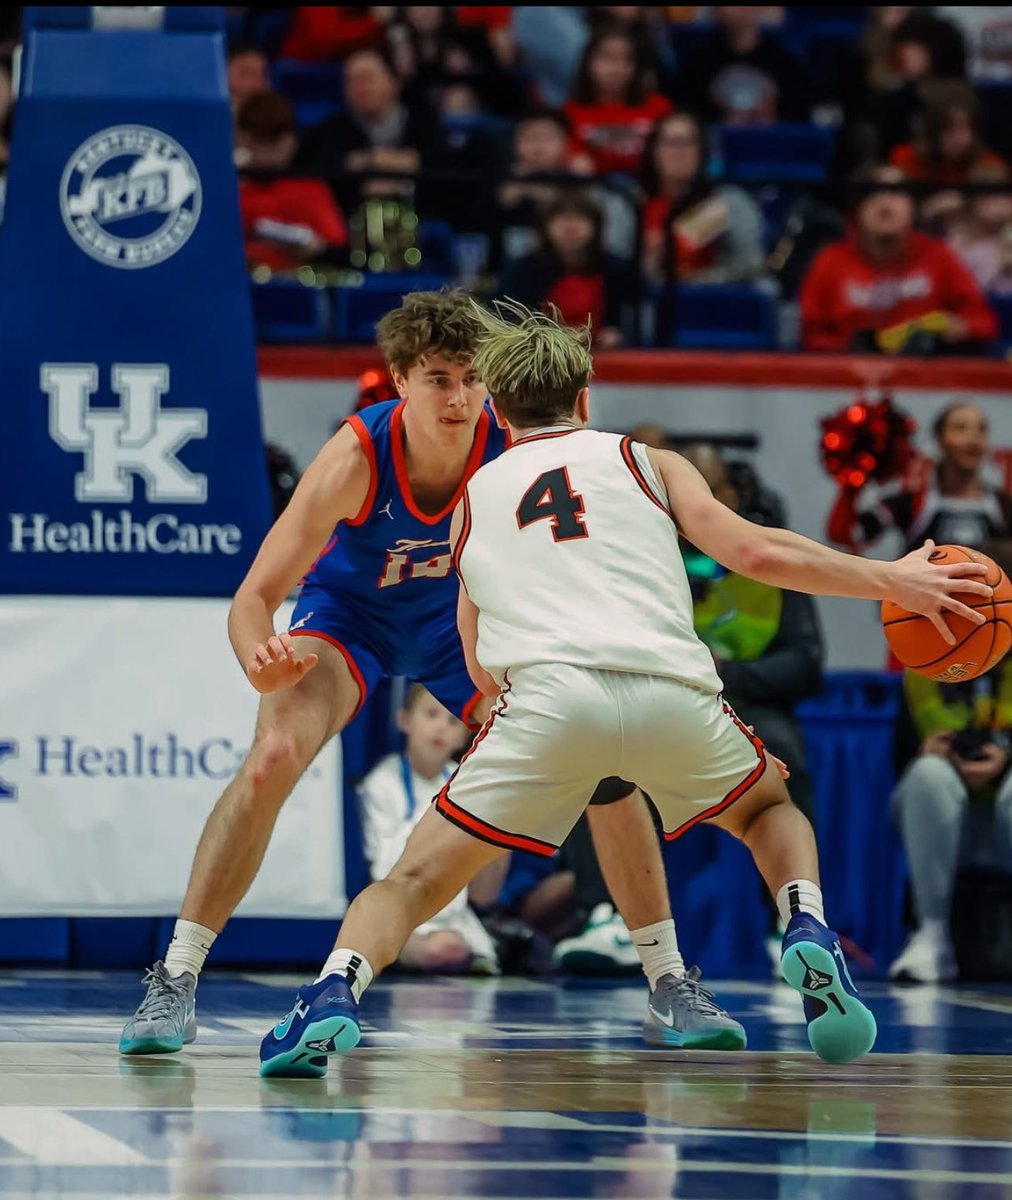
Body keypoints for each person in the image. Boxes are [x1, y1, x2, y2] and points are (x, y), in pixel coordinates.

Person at [257, 301, 991, 1078]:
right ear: (585, 397)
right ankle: (805, 921)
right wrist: (892, 580)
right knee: (769, 808)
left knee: (410, 881)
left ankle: (335, 991)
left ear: (497, 410)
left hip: (546, 704)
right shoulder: (647, 461)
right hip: (670, 692)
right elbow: (753, 552)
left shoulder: (474, 497)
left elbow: (472, 655)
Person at [119, 290, 741, 1060]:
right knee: (273, 758)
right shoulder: (356, 457)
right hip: (354, 616)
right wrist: (259, 654)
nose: (459, 398)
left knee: (605, 774)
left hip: (463, 627)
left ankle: (669, 978)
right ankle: (175, 979)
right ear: (398, 380)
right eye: (440, 378)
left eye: (473, 380)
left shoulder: (512, 446)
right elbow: (254, 596)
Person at [358, 684, 497, 974]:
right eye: (431, 714)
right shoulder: (382, 784)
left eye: (451, 721)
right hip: (398, 909)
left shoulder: (468, 783)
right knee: (434, 949)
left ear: (464, 734)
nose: (440, 728)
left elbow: (484, 894)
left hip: (456, 916)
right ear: (404, 720)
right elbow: (377, 874)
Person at [890, 659, 1012, 983]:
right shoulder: (922, 662)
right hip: (946, 826)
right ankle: (931, 936)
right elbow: (898, 762)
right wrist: (927, 750)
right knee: (926, 773)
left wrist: (1006, 755)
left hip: (1004, 817)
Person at [800, 166, 997, 355]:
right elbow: (810, 337)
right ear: (856, 210)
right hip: (849, 377)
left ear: (912, 206)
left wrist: (955, 329)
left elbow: (983, 323)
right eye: (873, 195)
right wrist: (847, 346)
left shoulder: (938, 256)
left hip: (925, 378)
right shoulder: (830, 262)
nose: (885, 205)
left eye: (895, 194)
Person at [827, 400, 1012, 573]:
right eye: (960, 428)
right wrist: (852, 482)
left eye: (981, 429)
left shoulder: (1003, 506)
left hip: (990, 607)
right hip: (922, 607)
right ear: (940, 439)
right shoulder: (912, 502)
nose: (973, 438)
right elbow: (846, 535)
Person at [639, 112, 767, 286]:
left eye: (688, 143)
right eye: (669, 143)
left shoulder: (726, 203)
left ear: (703, 151)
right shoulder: (634, 203)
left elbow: (753, 266)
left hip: (714, 301)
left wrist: (700, 279)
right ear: (653, 151)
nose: (678, 152)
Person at [498, 191, 635, 347]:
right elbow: (508, 321)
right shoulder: (522, 270)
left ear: (596, 226)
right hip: (539, 356)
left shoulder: (617, 268)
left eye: (579, 218)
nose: (570, 227)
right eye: (561, 218)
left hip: (604, 356)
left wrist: (617, 333)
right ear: (543, 227)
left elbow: (632, 323)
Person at [235, 93, 348, 273]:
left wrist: (316, 250)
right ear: (241, 139)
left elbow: (338, 249)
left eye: (273, 142)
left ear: (291, 141)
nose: (266, 153)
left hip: (296, 288)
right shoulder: (229, 191)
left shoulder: (311, 190)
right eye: (258, 141)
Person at [563, 26, 672, 176]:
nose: (617, 68)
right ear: (588, 62)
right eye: (607, 58)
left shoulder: (659, 108)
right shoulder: (571, 112)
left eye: (626, 60)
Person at [678, 5, 808, 126]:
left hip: (773, 145)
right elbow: (688, 117)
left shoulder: (784, 62)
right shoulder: (699, 63)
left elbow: (800, 119)